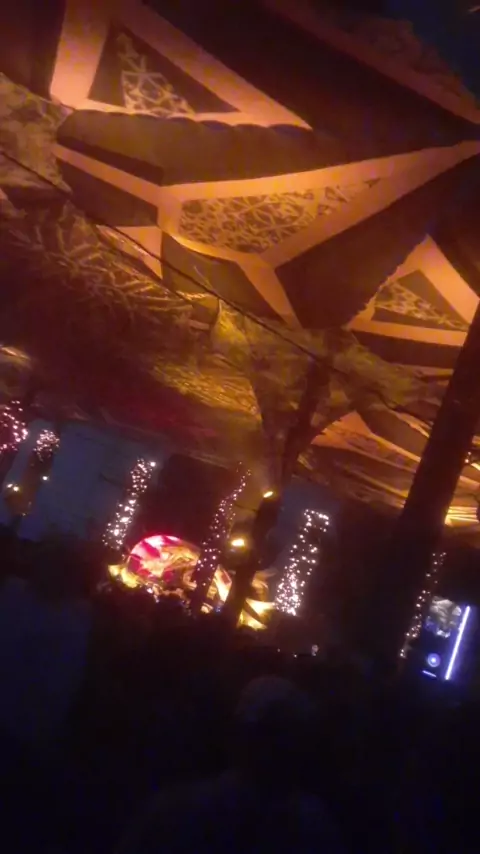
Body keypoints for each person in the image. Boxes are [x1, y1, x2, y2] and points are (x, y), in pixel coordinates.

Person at [118, 676, 345, 853]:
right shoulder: (314, 827)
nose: (273, 748)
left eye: (279, 735)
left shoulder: (173, 811)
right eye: (269, 734)